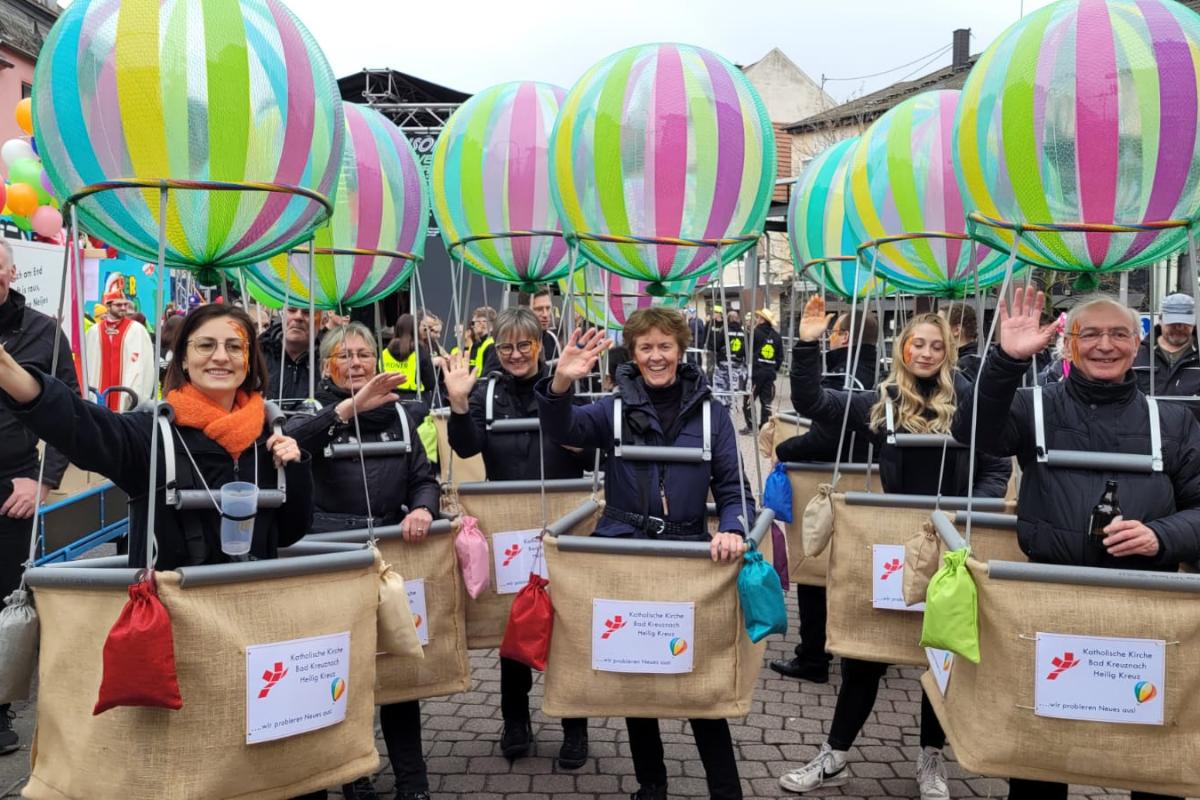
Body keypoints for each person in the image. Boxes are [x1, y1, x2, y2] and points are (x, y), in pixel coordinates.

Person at [952, 289, 1200, 800]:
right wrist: (1006, 362)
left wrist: (1160, 535)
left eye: (1117, 334)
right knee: (1041, 756)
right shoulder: (1033, 408)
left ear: (1138, 343)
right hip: (1052, 605)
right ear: (1068, 344)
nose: (1104, 345)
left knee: (1150, 756)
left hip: (1145, 613)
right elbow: (972, 434)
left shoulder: (1173, 423)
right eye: (1090, 333)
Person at [778, 296, 1011, 800]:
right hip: (894, 546)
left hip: (950, 541)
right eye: (916, 344)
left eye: (935, 345)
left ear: (948, 350)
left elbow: (996, 469)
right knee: (867, 654)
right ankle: (834, 753)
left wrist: (965, 513)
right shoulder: (881, 403)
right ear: (902, 348)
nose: (925, 353)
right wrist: (807, 344)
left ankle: (931, 761)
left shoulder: (970, 404)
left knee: (937, 656)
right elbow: (813, 404)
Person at [536, 307, 755, 800]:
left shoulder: (711, 414)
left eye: (664, 346)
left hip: (689, 555)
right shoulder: (613, 408)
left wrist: (734, 528)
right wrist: (560, 385)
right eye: (645, 348)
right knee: (637, 674)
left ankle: (727, 790)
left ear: (680, 350)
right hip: (625, 551)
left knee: (700, 678)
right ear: (632, 355)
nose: (656, 356)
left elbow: (734, 487)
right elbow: (562, 430)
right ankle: (651, 785)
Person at [0, 303, 312, 572]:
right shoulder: (152, 434)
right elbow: (80, 425)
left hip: (250, 615)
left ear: (248, 360)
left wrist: (295, 468)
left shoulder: (268, 437)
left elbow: (287, 533)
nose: (221, 356)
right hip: (171, 623)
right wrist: (9, 373)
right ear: (184, 360)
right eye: (205, 345)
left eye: (234, 346)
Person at [285, 322, 440, 800]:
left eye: (364, 355)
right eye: (344, 356)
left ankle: (413, 782)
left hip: (391, 557)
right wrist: (346, 410)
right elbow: (290, 444)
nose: (356, 364)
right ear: (327, 366)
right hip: (331, 559)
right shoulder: (314, 415)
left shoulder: (401, 416)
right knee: (342, 673)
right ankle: (354, 775)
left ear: (378, 362)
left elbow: (424, 477)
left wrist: (422, 507)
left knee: (397, 670)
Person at [443, 306, 591, 768]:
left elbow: (589, 447)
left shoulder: (566, 384)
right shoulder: (486, 393)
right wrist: (460, 403)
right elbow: (467, 447)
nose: (515, 354)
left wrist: (578, 439)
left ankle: (574, 724)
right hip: (509, 528)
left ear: (540, 345)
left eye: (524, 345)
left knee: (566, 626)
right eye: (505, 346)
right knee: (514, 624)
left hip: (562, 523)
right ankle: (516, 721)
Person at [770, 311, 879, 685]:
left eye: (833, 334)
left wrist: (785, 448)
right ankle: (858, 648)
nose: (830, 339)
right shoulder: (881, 374)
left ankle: (813, 655)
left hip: (829, 483)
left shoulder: (842, 378)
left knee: (814, 567)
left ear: (844, 337)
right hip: (869, 486)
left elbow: (827, 436)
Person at [0, 240, 79, 755]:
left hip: (14, 486)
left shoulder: (44, 332)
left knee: (6, 604)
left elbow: (70, 410)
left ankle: (0, 709)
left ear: (9, 271)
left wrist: (44, 481)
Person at [83, 282, 155, 410]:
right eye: (118, 305)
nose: (123, 308)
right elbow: (87, 363)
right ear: (108, 306)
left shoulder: (137, 330)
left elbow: (145, 364)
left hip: (126, 398)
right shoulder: (94, 331)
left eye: (125, 304)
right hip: (98, 395)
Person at [1133, 292, 1200, 419]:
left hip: (1193, 435)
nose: (1179, 328)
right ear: (1161, 319)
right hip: (1143, 433)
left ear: (1194, 322)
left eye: (1185, 324)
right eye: (1173, 323)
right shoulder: (1135, 354)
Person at [379, 314, 436, 418]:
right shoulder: (420, 351)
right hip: (415, 404)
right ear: (415, 330)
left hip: (388, 403)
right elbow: (431, 383)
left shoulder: (384, 353)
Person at [263, 306, 315, 400]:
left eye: (307, 312)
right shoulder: (258, 353)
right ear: (282, 314)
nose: (298, 317)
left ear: (323, 320)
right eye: (292, 310)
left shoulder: (332, 357)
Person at [743, 307, 783, 433]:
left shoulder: (754, 333)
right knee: (766, 403)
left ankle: (751, 427)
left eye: (758, 317)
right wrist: (772, 367)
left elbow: (746, 351)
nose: (756, 319)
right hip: (769, 375)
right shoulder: (777, 337)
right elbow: (780, 357)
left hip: (755, 374)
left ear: (762, 320)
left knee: (748, 401)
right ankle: (764, 428)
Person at [943, 302, 980, 381]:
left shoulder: (965, 365)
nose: (933, 329)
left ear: (956, 330)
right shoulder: (979, 355)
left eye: (939, 325)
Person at [531, 288, 561, 362]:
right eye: (539, 309)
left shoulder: (552, 338)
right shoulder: (512, 339)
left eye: (548, 308)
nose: (545, 314)